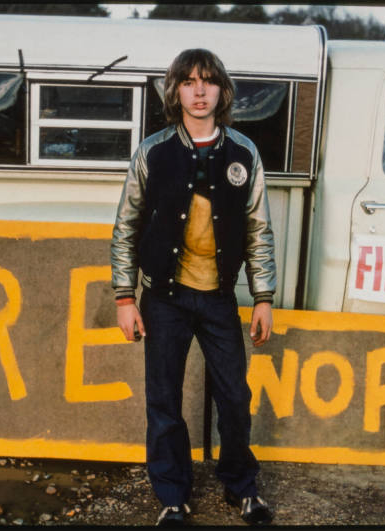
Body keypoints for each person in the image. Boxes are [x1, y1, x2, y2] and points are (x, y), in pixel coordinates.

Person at [111, 48, 276, 526]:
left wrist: (263, 297)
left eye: (208, 81)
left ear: (222, 90)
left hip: (219, 298)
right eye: (188, 81)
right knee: (164, 400)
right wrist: (125, 297)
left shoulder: (243, 153)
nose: (199, 90)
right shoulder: (153, 152)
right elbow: (125, 227)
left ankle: (241, 488)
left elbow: (258, 231)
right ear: (175, 91)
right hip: (164, 297)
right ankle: (173, 495)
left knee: (235, 398)